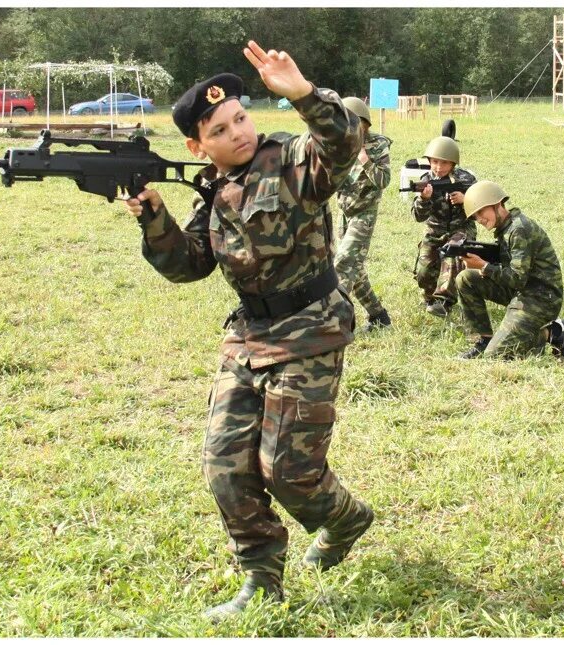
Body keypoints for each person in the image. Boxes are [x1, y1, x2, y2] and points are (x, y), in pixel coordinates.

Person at [124, 42, 373, 621]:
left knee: (289, 474)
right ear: (197, 145)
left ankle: (346, 519)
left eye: (241, 117)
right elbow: (188, 265)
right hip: (250, 336)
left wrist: (304, 94)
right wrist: (154, 217)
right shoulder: (210, 192)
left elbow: (342, 145)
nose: (237, 132)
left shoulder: (289, 161)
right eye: (220, 128)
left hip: (310, 330)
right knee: (224, 463)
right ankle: (261, 580)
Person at [455, 180, 564, 360]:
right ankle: (483, 340)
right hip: (523, 290)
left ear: (496, 204)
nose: (479, 219)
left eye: (481, 212)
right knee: (465, 278)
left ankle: (553, 332)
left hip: (541, 298)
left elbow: (517, 278)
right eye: (475, 217)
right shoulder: (505, 228)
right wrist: (482, 267)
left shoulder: (519, 229)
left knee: (496, 355)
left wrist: (485, 266)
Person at [333, 97, 393, 332]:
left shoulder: (377, 144)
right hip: (344, 211)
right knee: (355, 270)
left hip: (364, 213)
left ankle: (337, 322)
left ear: (364, 123)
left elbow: (383, 180)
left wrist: (365, 159)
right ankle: (379, 316)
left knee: (343, 263)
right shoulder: (338, 144)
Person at [411, 136, 477, 317]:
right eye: (434, 162)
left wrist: (466, 200)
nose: (438, 167)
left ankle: (444, 301)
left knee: (453, 253)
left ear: (453, 163)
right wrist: (424, 199)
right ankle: (430, 297)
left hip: (461, 229)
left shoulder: (466, 179)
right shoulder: (426, 181)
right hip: (434, 230)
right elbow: (418, 216)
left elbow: (482, 208)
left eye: (444, 163)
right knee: (424, 270)